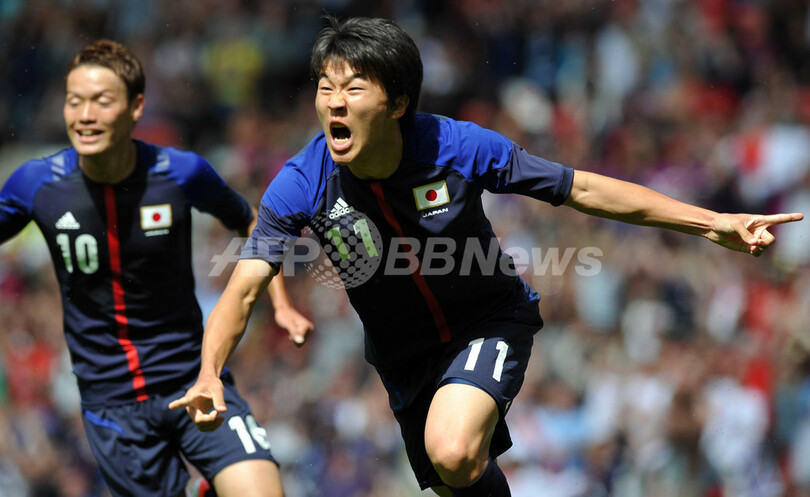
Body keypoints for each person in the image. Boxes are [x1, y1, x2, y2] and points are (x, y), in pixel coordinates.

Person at [169, 16, 804, 497]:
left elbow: (581, 188)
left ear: (397, 102)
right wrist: (209, 372)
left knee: (451, 450)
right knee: (457, 479)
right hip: (403, 360)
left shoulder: (458, 146)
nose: (333, 101)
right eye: (325, 87)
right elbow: (243, 286)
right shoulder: (300, 182)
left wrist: (711, 222)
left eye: (353, 88)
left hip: (487, 323)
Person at [0, 39, 314, 497]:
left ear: (136, 107)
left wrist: (280, 303)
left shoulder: (180, 173)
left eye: (101, 101)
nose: (85, 115)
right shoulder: (36, 183)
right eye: (74, 101)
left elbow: (251, 221)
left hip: (195, 378)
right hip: (112, 407)